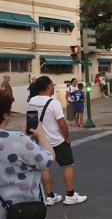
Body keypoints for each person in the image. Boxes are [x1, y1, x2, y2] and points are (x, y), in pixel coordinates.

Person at [0, 93, 54, 219]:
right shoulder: (17, 139)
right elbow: (47, 160)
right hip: (18, 215)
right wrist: (40, 135)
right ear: (6, 115)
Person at [27, 76, 87, 205]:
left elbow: (30, 121)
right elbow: (62, 124)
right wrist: (66, 137)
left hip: (41, 140)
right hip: (56, 140)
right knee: (68, 165)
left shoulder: (31, 101)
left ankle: (50, 196)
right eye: (52, 85)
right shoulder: (53, 103)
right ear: (49, 87)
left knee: (45, 168)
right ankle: (70, 195)